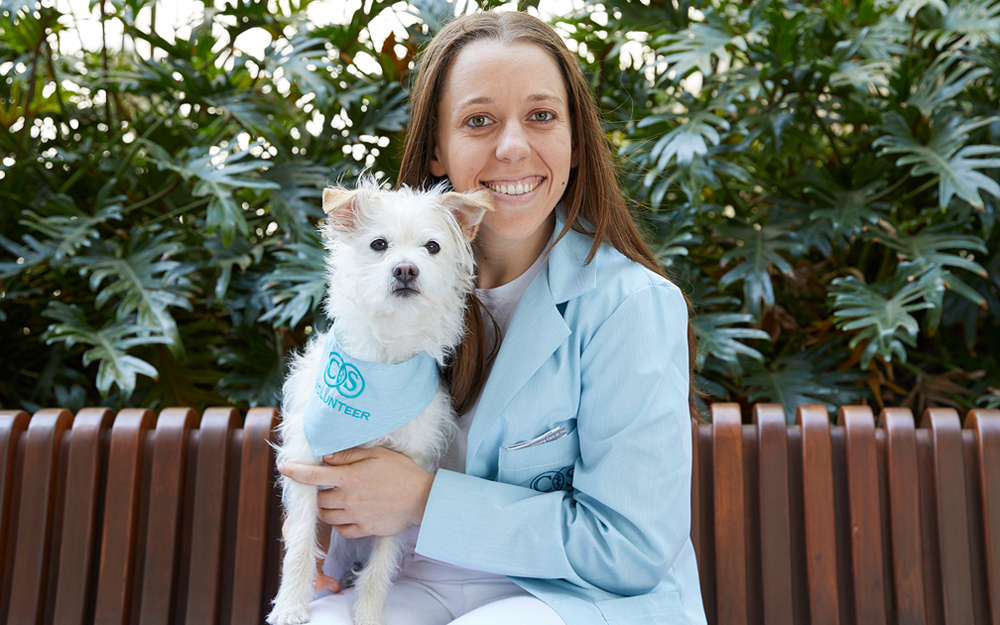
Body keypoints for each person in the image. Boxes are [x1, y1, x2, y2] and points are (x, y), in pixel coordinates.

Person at [278, 10, 707, 625]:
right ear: (435, 149)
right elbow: (351, 449)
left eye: (542, 116)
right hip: (408, 582)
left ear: (575, 142)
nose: (512, 147)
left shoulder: (631, 305)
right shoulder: (391, 285)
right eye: (478, 120)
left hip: (570, 598)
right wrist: (327, 541)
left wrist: (424, 500)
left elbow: (629, 548)